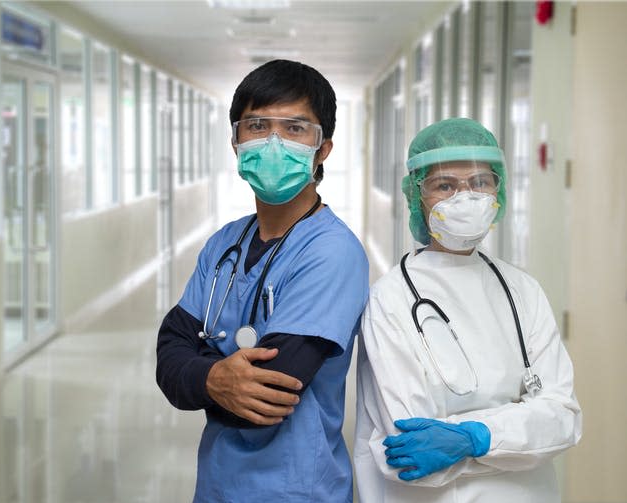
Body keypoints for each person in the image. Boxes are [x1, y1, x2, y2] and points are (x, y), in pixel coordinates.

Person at [156, 59, 369, 502]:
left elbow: (268, 395)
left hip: (297, 488)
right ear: (236, 141)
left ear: (323, 148)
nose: (273, 142)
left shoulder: (331, 251)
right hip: (218, 483)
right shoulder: (225, 243)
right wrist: (215, 378)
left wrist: (197, 373)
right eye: (256, 125)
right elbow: (167, 356)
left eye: (294, 128)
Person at [353, 118, 582, 502]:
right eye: (445, 185)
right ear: (416, 195)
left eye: (480, 182)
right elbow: (409, 452)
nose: (466, 197)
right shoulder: (390, 299)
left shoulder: (522, 289)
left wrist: (474, 439)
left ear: (499, 190)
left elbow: (564, 419)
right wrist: (518, 433)